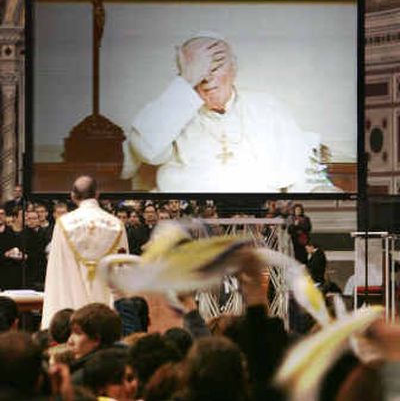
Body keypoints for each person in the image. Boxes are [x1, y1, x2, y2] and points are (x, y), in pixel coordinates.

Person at [122, 34, 335, 193]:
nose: (205, 77)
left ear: (234, 69)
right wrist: (186, 82)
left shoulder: (268, 108)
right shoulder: (172, 110)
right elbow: (146, 149)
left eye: (215, 66)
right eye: (195, 69)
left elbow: (300, 171)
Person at [41, 176, 128, 328]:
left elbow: (58, 270)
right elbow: (122, 270)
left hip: (71, 301)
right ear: (97, 194)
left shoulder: (63, 224)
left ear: (73, 195)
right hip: (105, 300)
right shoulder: (116, 224)